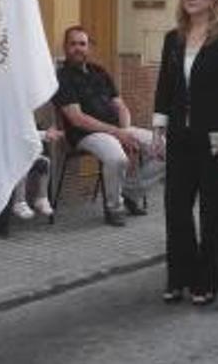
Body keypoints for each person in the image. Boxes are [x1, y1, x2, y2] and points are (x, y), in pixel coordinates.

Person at [152, 0, 218, 306]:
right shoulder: (173, 39)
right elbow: (165, 86)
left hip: (217, 137)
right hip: (180, 136)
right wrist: (158, 129)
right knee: (176, 209)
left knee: (212, 212)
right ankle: (179, 276)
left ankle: (207, 281)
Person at [53, 27, 159, 227]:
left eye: (82, 44)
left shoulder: (99, 72)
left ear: (88, 47)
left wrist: (125, 131)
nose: (78, 48)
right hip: (86, 135)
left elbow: (121, 106)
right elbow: (77, 119)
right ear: (65, 47)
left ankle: (131, 191)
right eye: (73, 44)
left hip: (118, 130)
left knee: (165, 147)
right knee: (117, 158)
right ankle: (114, 206)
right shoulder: (62, 78)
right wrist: (119, 133)